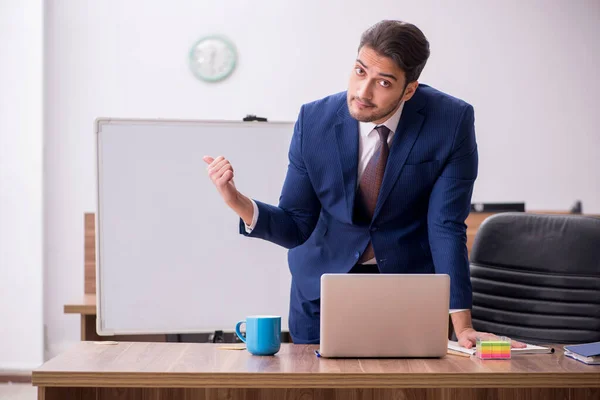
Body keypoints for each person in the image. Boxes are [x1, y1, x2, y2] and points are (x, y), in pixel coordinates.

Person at [204, 20, 525, 348]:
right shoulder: (315, 120)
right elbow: (296, 225)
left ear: (409, 89)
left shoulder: (451, 121)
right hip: (322, 289)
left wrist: (462, 324)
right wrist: (236, 200)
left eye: (383, 82)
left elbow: (445, 225)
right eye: (360, 72)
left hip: (407, 288)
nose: (362, 93)